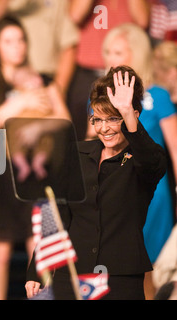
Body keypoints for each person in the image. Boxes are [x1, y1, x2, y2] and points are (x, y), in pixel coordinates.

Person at [26, 66, 167, 300]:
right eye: (97, 119)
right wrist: (37, 271)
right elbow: (58, 217)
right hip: (70, 276)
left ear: (134, 115)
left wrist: (127, 112)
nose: (104, 128)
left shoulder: (146, 158)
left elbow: (151, 162)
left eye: (113, 119)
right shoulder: (76, 154)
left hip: (120, 280)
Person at [0, 16, 71, 300]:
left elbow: (64, 120)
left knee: (38, 248)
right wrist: (21, 103)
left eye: (20, 40)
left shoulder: (43, 78)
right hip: (2, 174)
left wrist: (38, 125)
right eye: (8, 41)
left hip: (39, 175)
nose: (16, 47)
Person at [99, 23, 177, 298]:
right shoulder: (99, 100)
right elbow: (90, 149)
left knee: (150, 269)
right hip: (113, 194)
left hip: (152, 193)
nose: (110, 57)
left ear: (137, 53)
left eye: (118, 51)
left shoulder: (158, 96)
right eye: (107, 51)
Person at [67, 0, 150, 140]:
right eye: (108, 53)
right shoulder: (96, 93)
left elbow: (143, 20)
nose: (111, 59)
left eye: (116, 54)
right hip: (87, 74)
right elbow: (75, 15)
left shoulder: (156, 94)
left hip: (132, 79)